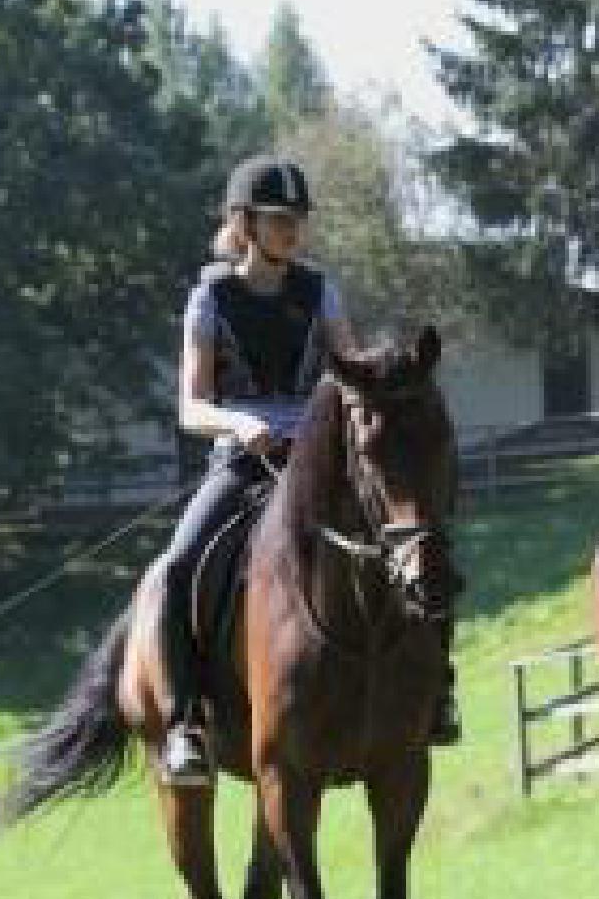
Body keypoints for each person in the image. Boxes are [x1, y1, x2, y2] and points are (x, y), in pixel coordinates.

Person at [159, 153, 460, 782]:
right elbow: (191, 406)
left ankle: (437, 691)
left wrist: (383, 380)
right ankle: (186, 722)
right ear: (245, 224)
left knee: (420, 541)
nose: (291, 230)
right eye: (277, 220)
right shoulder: (210, 298)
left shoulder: (319, 289)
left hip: (319, 457)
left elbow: (348, 367)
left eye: (297, 219)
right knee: (181, 562)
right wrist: (240, 423)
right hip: (242, 459)